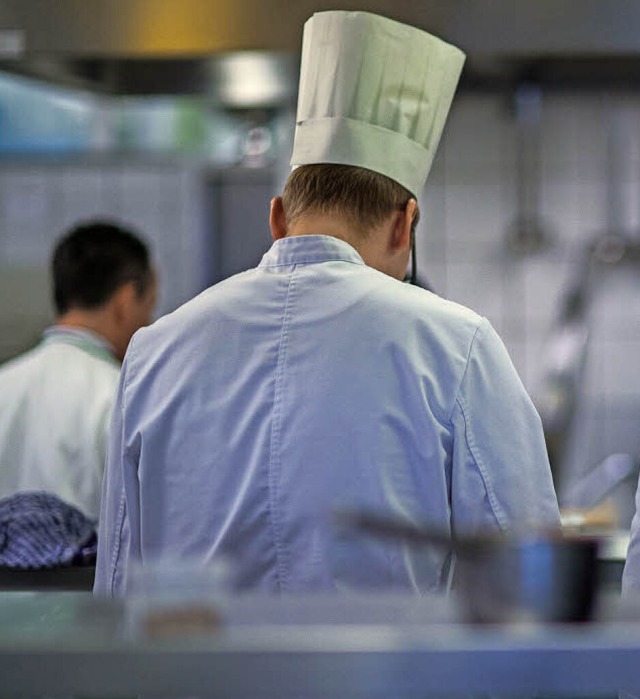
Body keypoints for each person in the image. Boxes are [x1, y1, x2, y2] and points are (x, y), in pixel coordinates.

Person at [95, 11, 559, 596]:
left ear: (277, 217)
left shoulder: (152, 351)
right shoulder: (457, 345)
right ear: (404, 225)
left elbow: (114, 579)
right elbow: (526, 577)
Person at [0, 220, 157, 522]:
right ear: (124, 301)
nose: (150, 321)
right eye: (149, 305)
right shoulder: (122, 398)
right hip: (89, 571)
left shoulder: (5, 382)